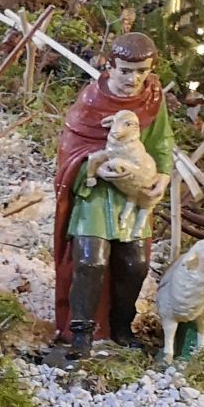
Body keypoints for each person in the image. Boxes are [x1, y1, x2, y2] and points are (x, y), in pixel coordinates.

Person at [52, 31, 176, 355]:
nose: (133, 79)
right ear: (110, 66)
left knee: (135, 263)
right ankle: (81, 333)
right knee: (90, 261)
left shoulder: (153, 98)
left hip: (133, 194)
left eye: (142, 71)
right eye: (125, 71)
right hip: (94, 195)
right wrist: (90, 167)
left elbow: (161, 142)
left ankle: (122, 326)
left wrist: (162, 176)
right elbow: (70, 149)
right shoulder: (91, 102)